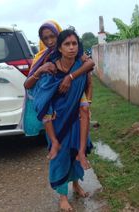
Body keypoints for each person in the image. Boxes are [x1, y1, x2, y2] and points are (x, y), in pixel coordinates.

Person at [31, 29, 92, 211]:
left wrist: (71, 77)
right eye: (67, 44)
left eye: (74, 44)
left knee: (74, 151)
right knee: (60, 157)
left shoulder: (81, 62)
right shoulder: (50, 66)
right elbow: (42, 91)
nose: (71, 48)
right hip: (57, 118)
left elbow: (89, 73)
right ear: (60, 47)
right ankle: (63, 197)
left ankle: (76, 184)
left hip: (75, 113)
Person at [23, 20, 94, 170]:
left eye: (52, 36)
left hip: (74, 96)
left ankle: (80, 158)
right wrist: (40, 70)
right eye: (45, 38)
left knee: (84, 112)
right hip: (54, 100)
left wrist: (70, 77)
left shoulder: (75, 53)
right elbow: (28, 85)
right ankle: (55, 142)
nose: (49, 41)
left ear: (58, 35)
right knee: (45, 107)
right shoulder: (41, 58)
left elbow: (89, 66)